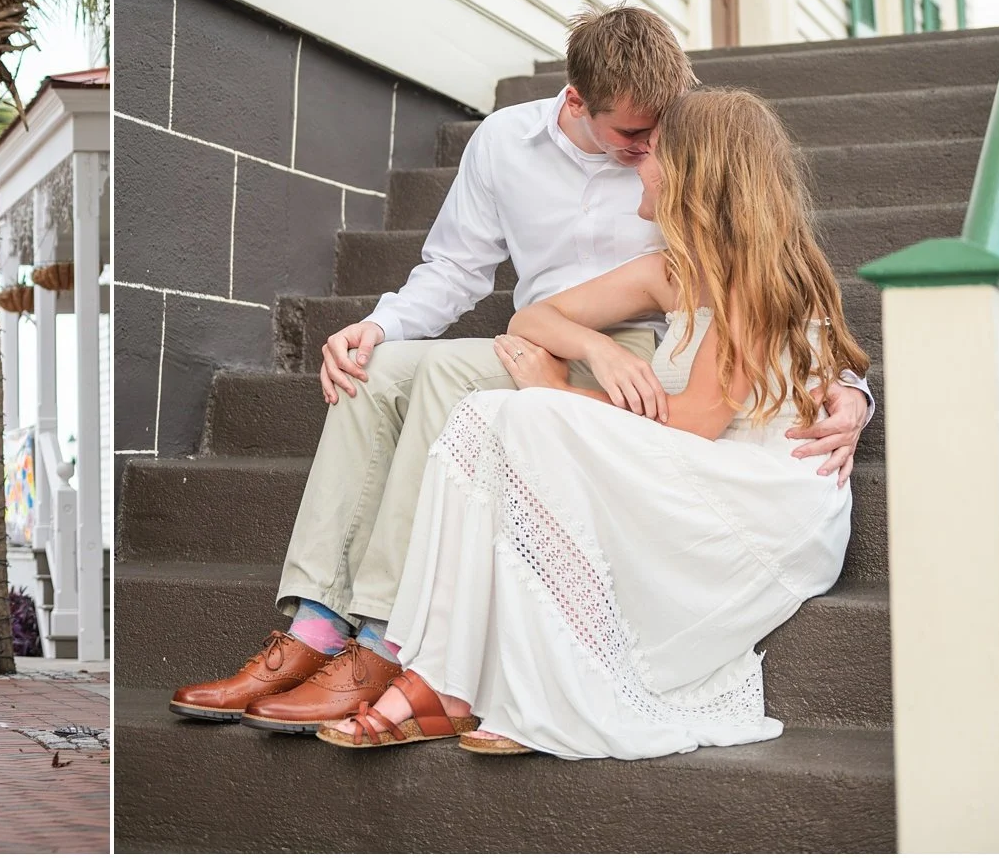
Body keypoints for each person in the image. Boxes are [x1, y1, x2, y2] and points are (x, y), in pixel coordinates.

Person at [170, 6, 873, 732]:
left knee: (450, 384)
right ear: (576, 101)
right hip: (562, 336)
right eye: (634, 135)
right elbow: (460, 273)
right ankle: (316, 624)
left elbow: (778, 301)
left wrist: (851, 394)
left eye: (659, 137)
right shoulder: (508, 142)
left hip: (651, 363)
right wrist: (379, 326)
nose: (647, 147)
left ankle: (386, 636)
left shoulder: (694, 151)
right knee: (371, 373)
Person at [317, 87, 864, 758]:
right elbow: (533, 316)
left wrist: (558, 389)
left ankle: (519, 682)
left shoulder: (751, 274)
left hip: (764, 496)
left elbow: (696, 419)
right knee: (488, 411)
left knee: (532, 416)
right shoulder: (671, 269)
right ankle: (440, 677)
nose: (637, 165)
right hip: (703, 465)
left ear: (694, 171)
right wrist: (594, 349)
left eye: (653, 153)